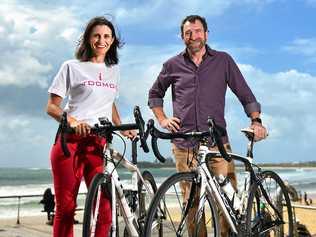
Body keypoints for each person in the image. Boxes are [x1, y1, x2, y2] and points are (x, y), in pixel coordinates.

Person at [148, 15, 267, 237]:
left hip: (217, 145)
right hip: (184, 145)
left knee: (226, 203)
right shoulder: (172, 64)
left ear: (206, 33)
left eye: (198, 31)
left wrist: (256, 120)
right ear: (182, 36)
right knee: (192, 204)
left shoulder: (223, 61)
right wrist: (162, 118)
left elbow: (244, 92)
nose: (193, 36)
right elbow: (155, 94)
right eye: (188, 33)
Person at [46, 16, 135, 237]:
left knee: (105, 209)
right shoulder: (71, 67)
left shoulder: (113, 70)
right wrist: (73, 121)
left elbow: (108, 101)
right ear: (88, 39)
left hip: (98, 144)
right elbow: (52, 107)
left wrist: (120, 125)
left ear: (113, 40)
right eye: (96, 35)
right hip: (70, 143)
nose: (101, 40)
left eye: (106, 36)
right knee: (66, 209)